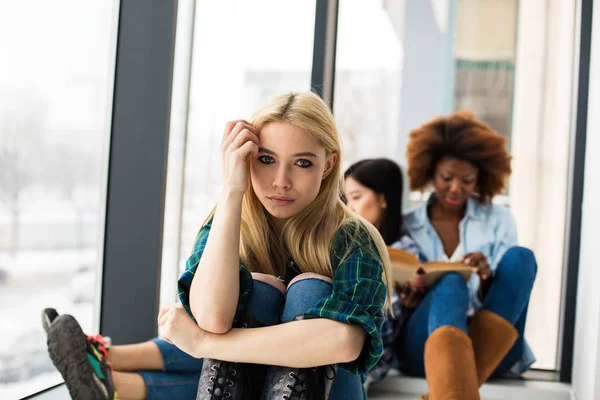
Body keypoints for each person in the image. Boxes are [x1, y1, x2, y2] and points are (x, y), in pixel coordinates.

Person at [45, 91, 392, 400]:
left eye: (303, 163)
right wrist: (231, 191)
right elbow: (211, 317)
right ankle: (115, 384)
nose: (280, 182)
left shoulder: (352, 237)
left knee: (309, 291)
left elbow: (345, 343)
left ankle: (111, 368)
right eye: (266, 159)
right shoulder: (229, 221)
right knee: (256, 293)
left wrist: (203, 343)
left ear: (328, 164)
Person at [395, 110, 537, 399]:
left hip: (493, 349)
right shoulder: (407, 225)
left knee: (521, 258)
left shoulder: (498, 220)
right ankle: (456, 385)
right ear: (430, 172)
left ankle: (454, 387)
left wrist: (486, 278)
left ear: (481, 179)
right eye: (447, 177)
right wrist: (409, 297)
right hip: (423, 348)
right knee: (449, 281)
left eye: (468, 181)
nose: (456, 188)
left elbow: (508, 296)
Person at [343, 158, 422, 388]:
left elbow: (384, 328)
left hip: (366, 359)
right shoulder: (344, 244)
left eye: (356, 197)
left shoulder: (405, 252)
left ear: (383, 198)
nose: (349, 208)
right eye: (346, 199)